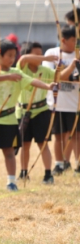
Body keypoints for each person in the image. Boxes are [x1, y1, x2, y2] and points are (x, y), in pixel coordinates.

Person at [0, 40, 54, 193]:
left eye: (14, 56)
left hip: (8, 119)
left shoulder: (17, 73)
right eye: (8, 55)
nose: (12, 59)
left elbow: (32, 81)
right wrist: (7, 77)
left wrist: (48, 86)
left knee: (9, 152)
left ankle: (11, 182)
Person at [17, 43, 57, 184]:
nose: (41, 58)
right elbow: (23, 58)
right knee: (24, 144)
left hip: (41, 111)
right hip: (23, 111)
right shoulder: (21, 68)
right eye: (37, 54)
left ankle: (48, 174)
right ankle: (23, 172)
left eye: (42, 54)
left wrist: (68, 66)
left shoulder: (45, 70)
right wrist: (46, 57)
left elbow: (60, 76)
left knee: (43, 144)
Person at [44, 25, 80, 174]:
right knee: (58, 135)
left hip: (75, 103)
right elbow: (54, 77)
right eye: (74, 40)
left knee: (76, 135)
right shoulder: (52, 54)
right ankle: (59, 164)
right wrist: (71, 67)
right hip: (57, 103)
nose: (76, 43)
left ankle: (78, 164)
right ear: (63, 40)